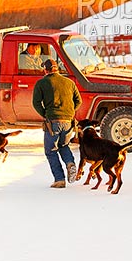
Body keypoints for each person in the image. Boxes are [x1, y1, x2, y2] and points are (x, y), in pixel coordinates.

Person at [32, 59, 81, 188]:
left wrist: (45, 114)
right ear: (57, 69)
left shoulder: (42, 83)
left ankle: (59, 179)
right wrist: (69, 112)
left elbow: (36, 103)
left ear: (45, 70)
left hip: (52, 122)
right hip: (68, 122)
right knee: (63, 145)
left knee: (51, 150)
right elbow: (78, 101)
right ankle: (70, 163)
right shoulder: (69, 82)